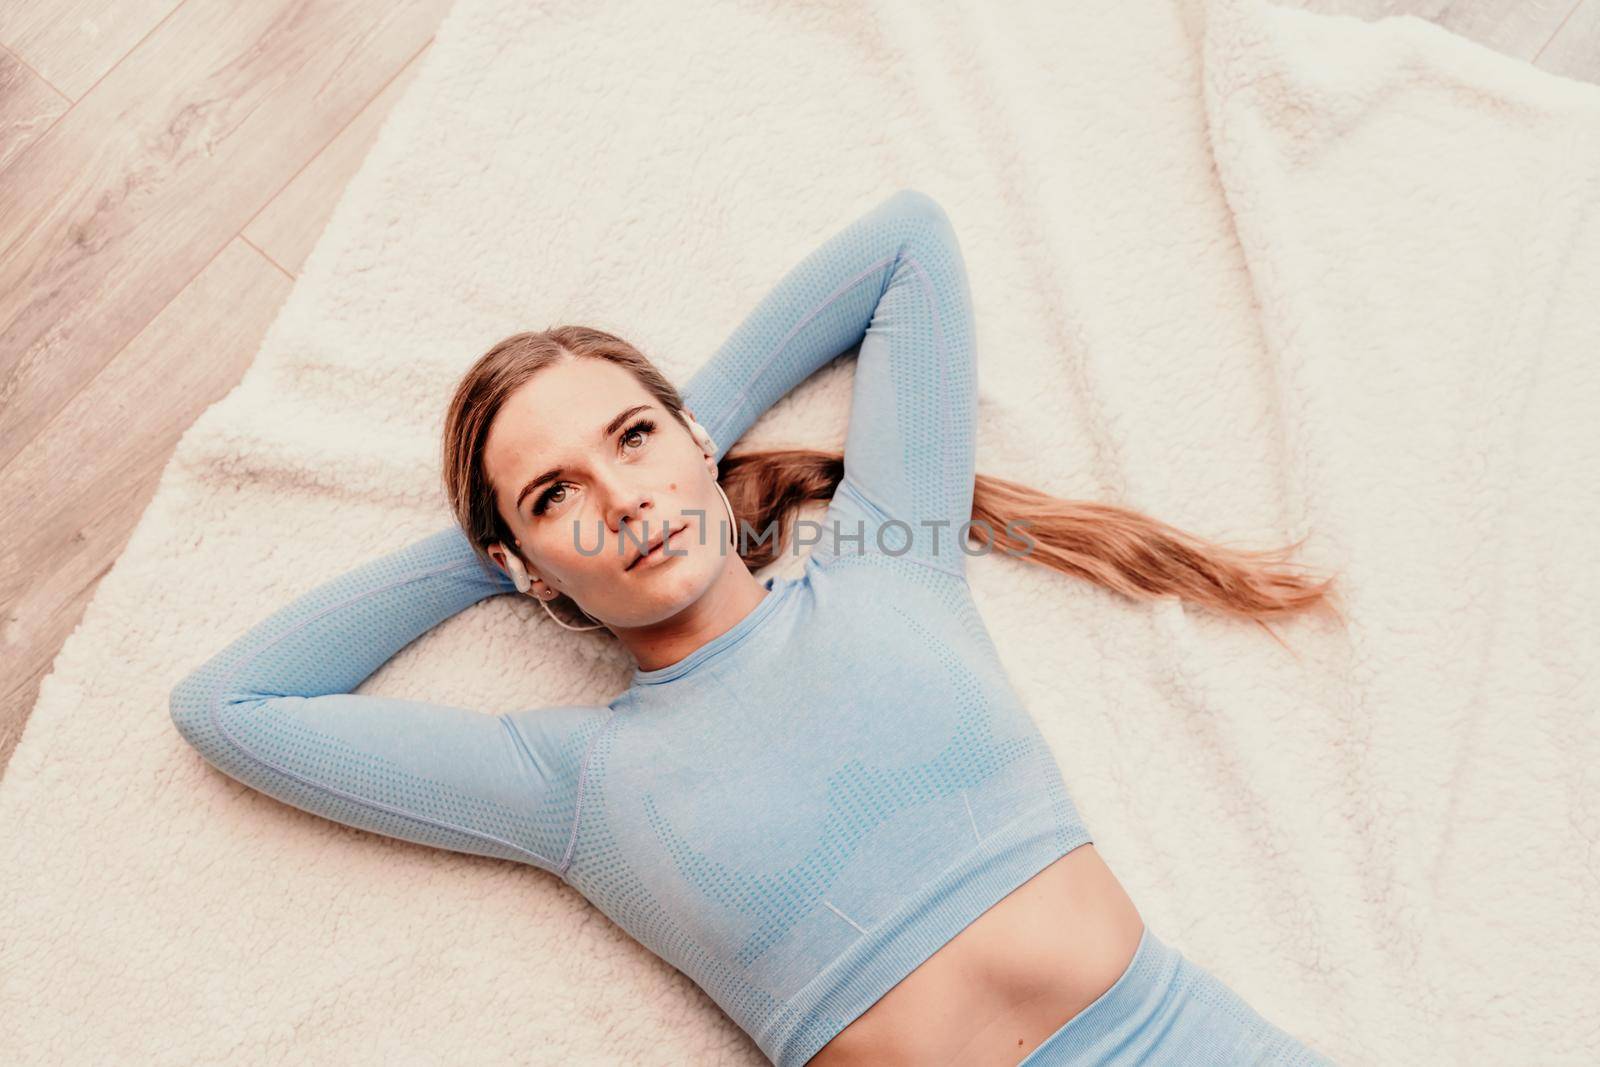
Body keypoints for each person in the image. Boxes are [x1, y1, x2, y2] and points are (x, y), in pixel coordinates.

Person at [170, 189, 1341, 1065]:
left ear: (692, 433)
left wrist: (684, 443)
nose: (619, 496)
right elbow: (229, 707)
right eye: (553, 492)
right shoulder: (570, 782)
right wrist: (507, 560)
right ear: (519, 567)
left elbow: (908, 246)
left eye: (630, 436)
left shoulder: (894, 564)